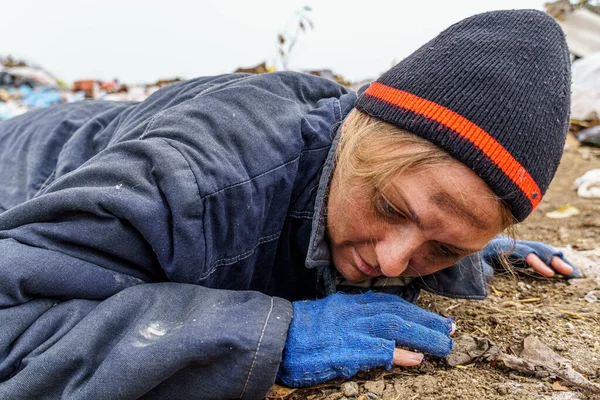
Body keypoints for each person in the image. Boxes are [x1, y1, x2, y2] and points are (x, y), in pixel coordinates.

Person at [0, 9, 581, 399]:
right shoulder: (200, 182)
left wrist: (465, 257)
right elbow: (11, 327)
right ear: (355, 138)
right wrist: (259, 334)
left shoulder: (396, 202)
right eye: (391, 208)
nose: (394, 263)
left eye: (444, 244)